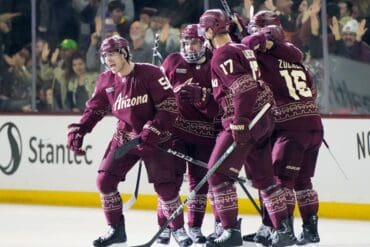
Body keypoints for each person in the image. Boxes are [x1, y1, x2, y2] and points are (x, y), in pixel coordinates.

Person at [66, 35, 190, 247]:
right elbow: (94, 110)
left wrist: (154, 128)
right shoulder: (106, 81)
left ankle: (178, 230)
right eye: (105, 56)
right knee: (104, 181)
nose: (108, 60)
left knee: (166, 188)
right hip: (125, 138)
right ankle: (116, 229)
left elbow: (169, 106)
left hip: (156, 139)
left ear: (124, 53)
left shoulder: (150, 73)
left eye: (112, 54)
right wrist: (79, 130)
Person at [199, 9, 296, 247]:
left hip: (246, 119)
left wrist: (240, 120)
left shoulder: (223, 54)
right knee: (265, 178)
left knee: (218, 174)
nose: (202, 35)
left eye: (204, 30)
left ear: (211, 30)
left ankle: (230, 232)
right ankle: (283, 230)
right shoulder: (242, 48)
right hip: (262, 119)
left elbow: (243, 88)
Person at [242, 10, 324, 246]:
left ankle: (282, 230)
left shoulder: (262, 58)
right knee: (303, 180)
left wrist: (255, 39)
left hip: (290, 129)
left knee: (280, 181)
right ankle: (310, 231)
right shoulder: (297, 60)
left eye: (254, 30)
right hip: (314, 124)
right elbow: (313, 91)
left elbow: (242, 49)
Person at [160, 24, 221, 245]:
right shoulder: (173, 62)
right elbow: (158, 95)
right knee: (170, 180)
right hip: (175, 131)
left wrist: (203, 98)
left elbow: (221, 104)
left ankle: (194, 227)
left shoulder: (215, 63)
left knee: (200, 183)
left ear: (204, 42)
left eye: (194, 42)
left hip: (206, 134)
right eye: (186, 42)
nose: (189, 46)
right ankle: (165, 227)